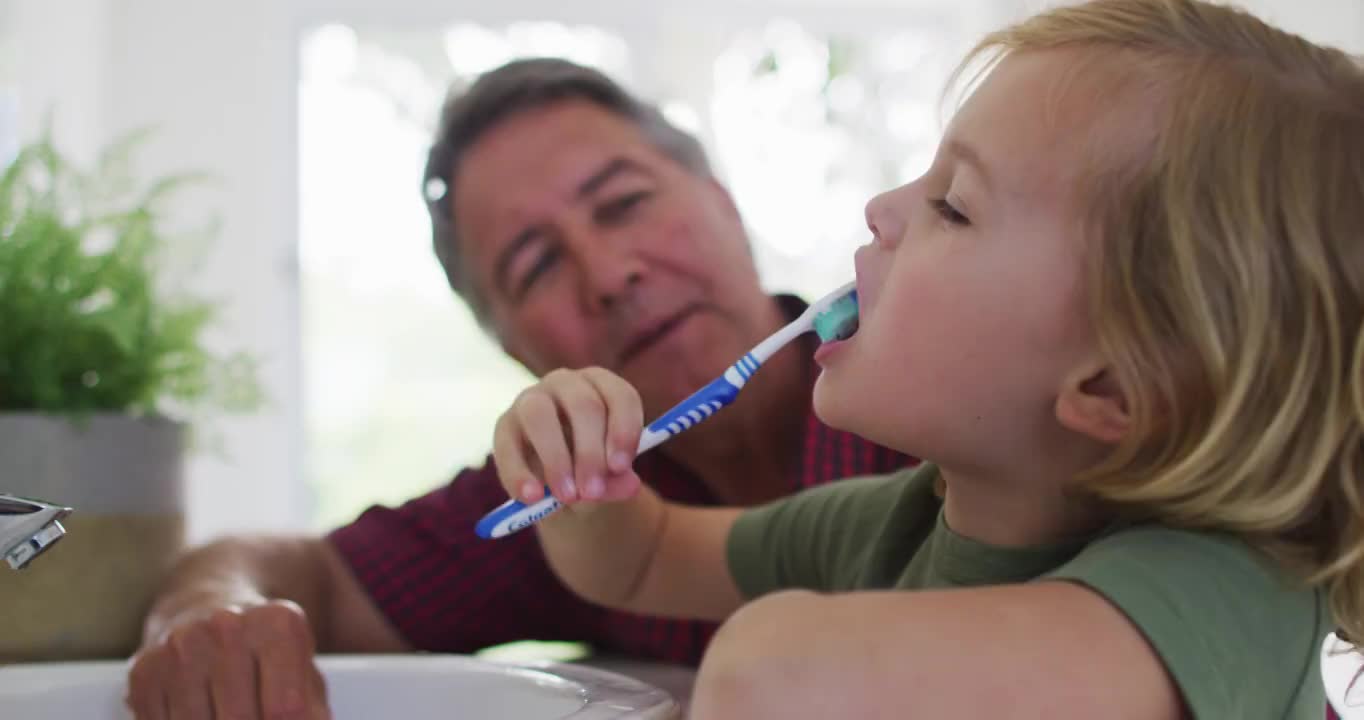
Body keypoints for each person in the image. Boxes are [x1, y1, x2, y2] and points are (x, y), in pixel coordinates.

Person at [486, 0, 1363, 717]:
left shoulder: (1230, 594)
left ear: (1113, 383)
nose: (881, 208)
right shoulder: (889, 525)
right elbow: (641, 559)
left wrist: (769, 648)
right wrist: (582, 477)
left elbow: (775, 680)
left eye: (953, 206)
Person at [122, 59, 913, 718]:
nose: (607, 276)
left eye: (625, 204)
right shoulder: (561, 503)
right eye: (535, 266)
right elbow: (308, 577)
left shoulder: (941, 385)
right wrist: (207, 613)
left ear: (723, 202)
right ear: (511, 346)